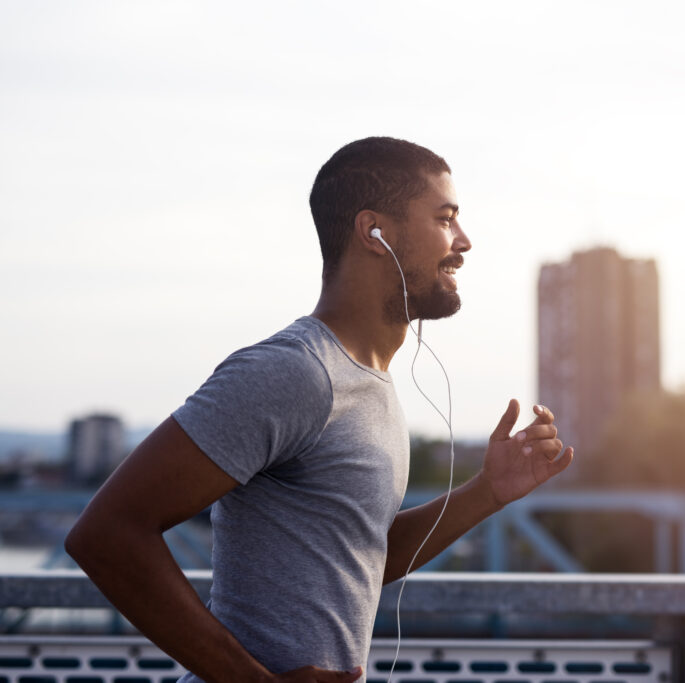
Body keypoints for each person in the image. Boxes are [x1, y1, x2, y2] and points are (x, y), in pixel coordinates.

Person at [65, 137, 574, 683]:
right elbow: (105, 533)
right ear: (373, 232)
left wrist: (486, 492)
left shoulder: (368, 385)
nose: (465, 241)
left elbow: (358, 559)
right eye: (446, 218)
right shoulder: (295, 372)